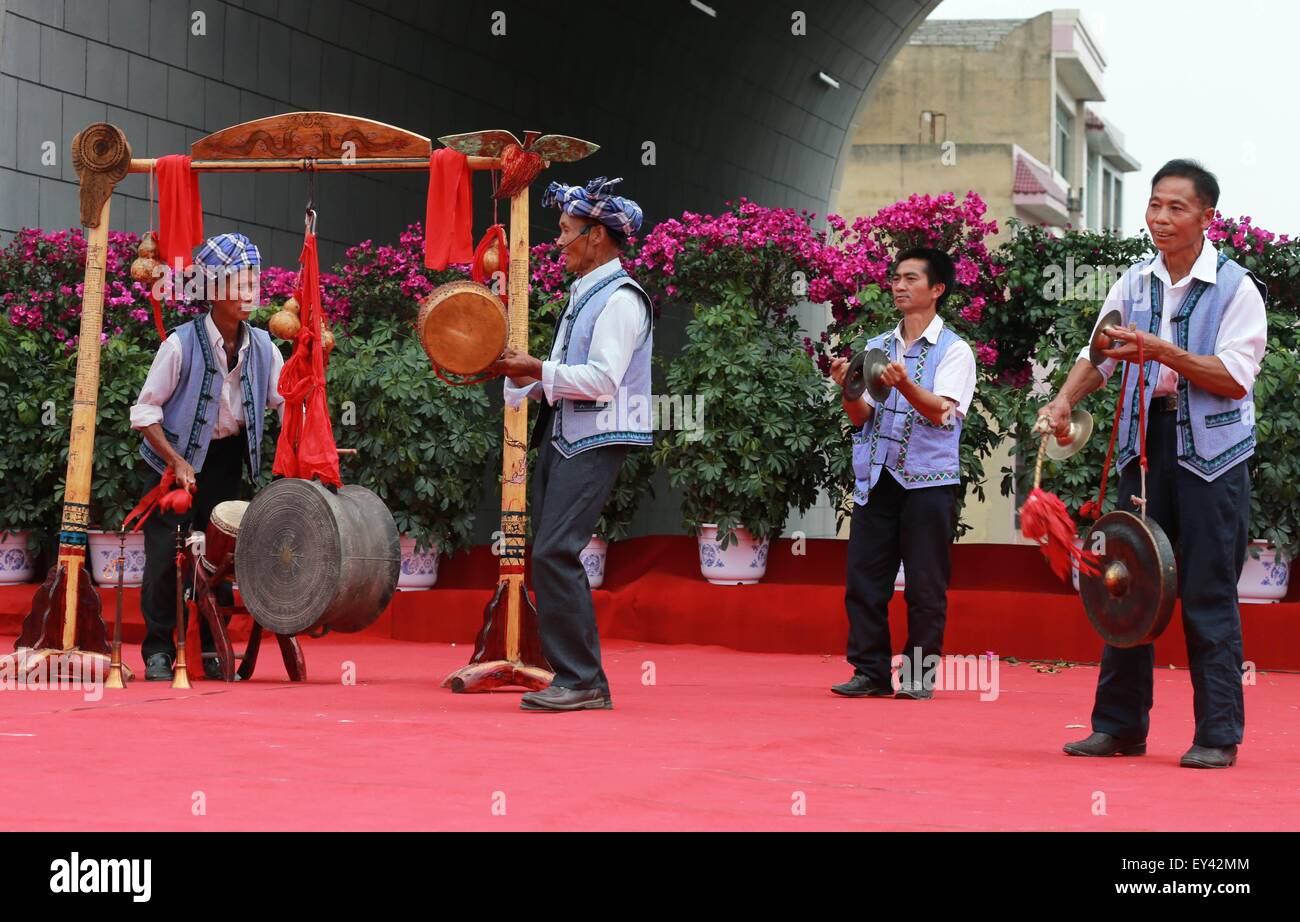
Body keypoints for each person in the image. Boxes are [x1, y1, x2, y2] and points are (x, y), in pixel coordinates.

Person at [1042, 159, 1266, 769]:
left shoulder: (1237, 288)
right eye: (1154, 206)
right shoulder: (1133, 285)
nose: (1161, 219)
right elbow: (1101, 354)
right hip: (1143, 448)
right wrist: (1063, 399)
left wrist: (1164, 350)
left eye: (1176, 208)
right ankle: (1119, 726)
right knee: (1128, 581)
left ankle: (1218, 733)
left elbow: (1235, 378)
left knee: (1206, 589)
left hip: (1213, 454)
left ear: (1206, 217)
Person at [490, 177, 652, 712]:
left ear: (598, 236)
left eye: (565, 231)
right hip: (568, 436)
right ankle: (576, 676)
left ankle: (582, 679)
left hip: (597, 438)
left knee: (554, 551)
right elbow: (567, 376)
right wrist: (522, 378)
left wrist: (536, 369)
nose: (557, 241)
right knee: (552, 552)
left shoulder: (622, 298)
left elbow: (602, 380)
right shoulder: (587, 293)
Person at [131, 233, 284, 681]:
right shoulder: (180, 344)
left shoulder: (263, 347)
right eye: (240, 282)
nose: (250, 291)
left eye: (253, 280)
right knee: (167, 556)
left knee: (215, 561)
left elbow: (287, 399)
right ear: (214, 289)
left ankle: (210, 648)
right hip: (173, 463)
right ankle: (159, 650)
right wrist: (176, 462)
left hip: (226, 460)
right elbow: (143, 412)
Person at [829, 247, 976, 700]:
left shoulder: (956, 351)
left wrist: (906, 384)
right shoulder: (876, 347)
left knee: (925, 585)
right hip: (877, 477)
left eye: (911, 278)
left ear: (937, 289)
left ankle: (918, 678)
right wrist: (848, 387)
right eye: (895, 278)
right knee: (864, 581)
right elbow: (859, 417)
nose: (898, 285)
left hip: (930, 484)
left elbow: (942, 415)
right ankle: (869, 672)